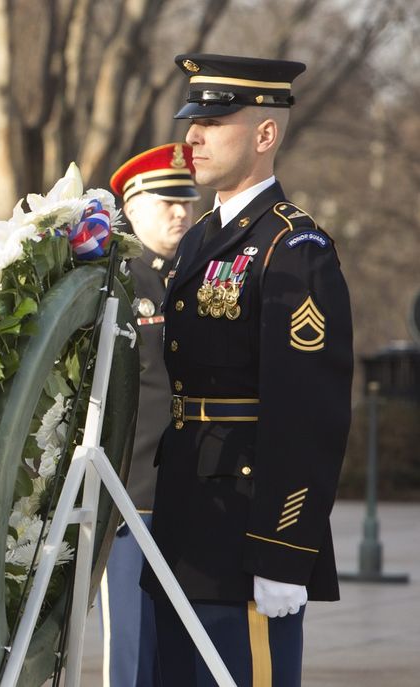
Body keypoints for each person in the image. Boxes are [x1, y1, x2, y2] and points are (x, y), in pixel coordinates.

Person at [141, 54, 353, 687]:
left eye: (215, 121)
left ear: (265, 134)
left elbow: (308, 414)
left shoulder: (295, 249)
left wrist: (285, 551)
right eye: (192, 121)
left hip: (246, 535)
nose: (193, 137)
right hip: (185, 518)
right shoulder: (202, 238)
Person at [101, 142, 200, 687]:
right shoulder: (114, 282)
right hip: (132, 497)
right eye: (167, 202)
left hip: (190, 494)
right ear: (133, 208)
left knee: (185, 649)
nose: (182, 211)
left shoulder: (195, 278)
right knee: (134, 654)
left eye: (187, 200)